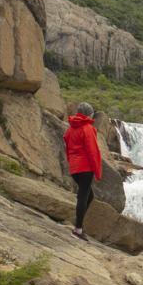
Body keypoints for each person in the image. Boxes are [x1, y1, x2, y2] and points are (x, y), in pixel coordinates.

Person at [63, 102, 102, 241]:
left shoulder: (70, 129)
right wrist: (97, 171)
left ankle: (78, 226)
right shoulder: (88, 128)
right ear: (89, 114)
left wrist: (71, 165)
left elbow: (67, 150)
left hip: (75, 167)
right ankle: (78, 230)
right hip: (85, 167)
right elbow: (93, 151)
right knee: (83, 196)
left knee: (88, 196)